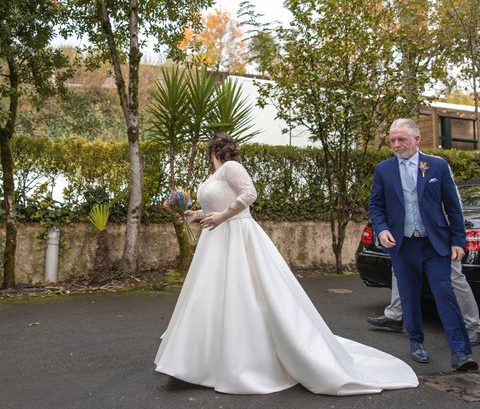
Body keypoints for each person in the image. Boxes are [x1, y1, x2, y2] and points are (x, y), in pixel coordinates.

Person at [154, 132, 418, 395]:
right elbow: (220, 203)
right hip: (217, 241)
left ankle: (244, 360)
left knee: (244, 294)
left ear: (213, 151)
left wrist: (223, 215)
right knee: (210, 298)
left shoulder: (231, 168)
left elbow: (250, 194)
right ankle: (205, 359)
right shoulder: (214, 176)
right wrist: (196, 213)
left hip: (238, 236)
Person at [368, 118, 477, 371]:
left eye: (401, 139)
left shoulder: (437, 166)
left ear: (417, 140)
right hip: (403, 246)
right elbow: (376, 206)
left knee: (445, 294)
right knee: (409, 296)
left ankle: (461, 352)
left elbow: (453, 207)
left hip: (435, 244)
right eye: (392, 140)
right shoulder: (384, 170)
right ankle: (416, 342)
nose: (396, 144)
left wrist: (458, 241)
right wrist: (382, 229)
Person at [367, 266, 480, 346]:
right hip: (413, 238)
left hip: (439, 239)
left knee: (453, 276)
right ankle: (394, 315)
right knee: (399, 270)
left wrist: (457, 242)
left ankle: (473, 325)